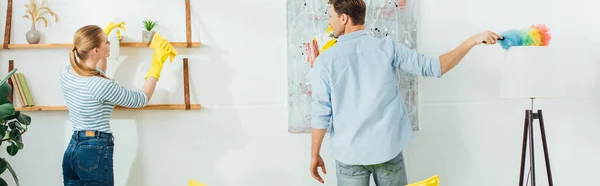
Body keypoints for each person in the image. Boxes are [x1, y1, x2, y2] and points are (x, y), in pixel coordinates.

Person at [308, 0, 503, 185]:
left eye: (331, 15)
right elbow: (435, 67)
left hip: (349, 155)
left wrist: (314, 155)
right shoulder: (387, 48)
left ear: (344, 18)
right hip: (387, 149)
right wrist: (473, 40)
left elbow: (321, 113)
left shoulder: (324, 61)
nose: (329, 21)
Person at [60, 25, 174, 185]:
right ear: (95, 51)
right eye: (106, 42)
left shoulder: (67, 73)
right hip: (94, 151)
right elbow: (140, 99)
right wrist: (157, 64)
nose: (110, 44)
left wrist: (104, 36)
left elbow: (97, 70)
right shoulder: (101, 85)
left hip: (73, 149)